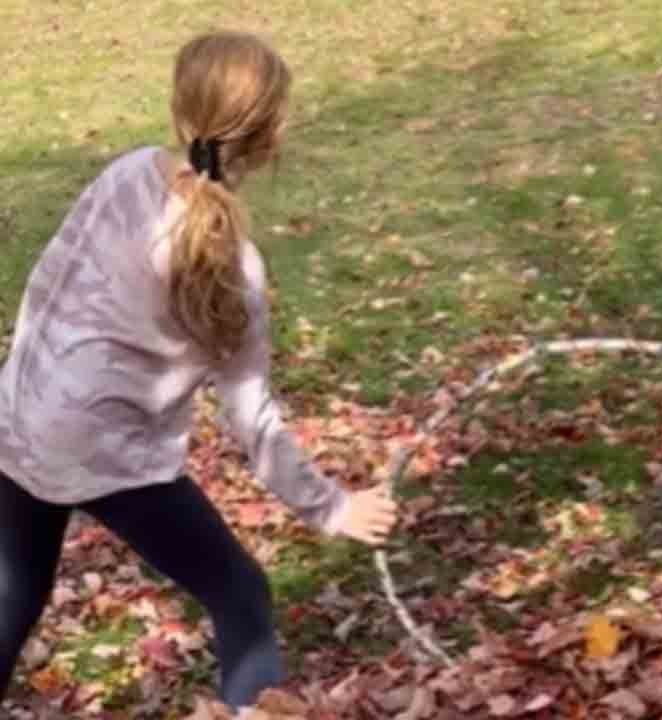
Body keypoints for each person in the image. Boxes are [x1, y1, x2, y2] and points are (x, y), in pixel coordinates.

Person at [0, 31, 398, 712]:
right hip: (100, 450)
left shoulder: (126, 175)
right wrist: (332, 507)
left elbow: (50, 286)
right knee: (240, 596)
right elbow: (252, 421)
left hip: (20, 418)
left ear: (181, 109)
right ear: (270, 139)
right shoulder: (238, 273)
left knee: (13, 595)